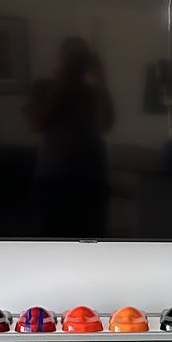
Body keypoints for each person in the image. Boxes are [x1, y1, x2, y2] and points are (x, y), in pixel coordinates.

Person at [23, 37, 116, 237]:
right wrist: (60, 87)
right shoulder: (44, 87)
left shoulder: (94, 92)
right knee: (53, 238)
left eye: (79, 58)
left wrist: (101, 81)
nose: (75, 63)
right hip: (53, 177)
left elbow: (105, 125)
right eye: (70, 58)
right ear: (60, 60)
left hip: (92, 177)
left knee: (92, 239)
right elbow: (36, 124)